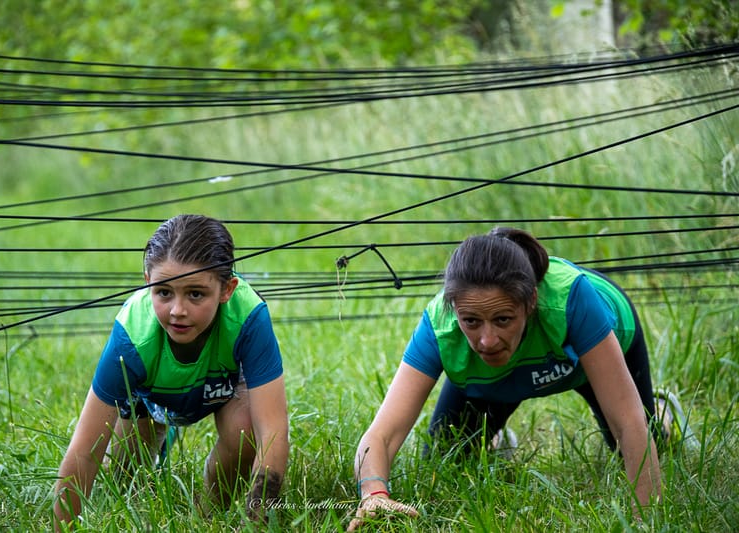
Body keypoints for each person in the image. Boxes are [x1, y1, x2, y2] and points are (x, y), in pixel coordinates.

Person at [348, 227, 677, 530]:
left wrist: (645, 520)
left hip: (584, 360)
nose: (487, 340)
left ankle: (662, 414)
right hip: (497, 378)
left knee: (639, 447)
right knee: (444, 460)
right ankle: (494, 441)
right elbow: (381, 436)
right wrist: (374, 494)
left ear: (531, 302)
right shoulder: (440, 327)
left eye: (503, 319)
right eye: (471, 321)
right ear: (454, 311)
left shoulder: (572, 299)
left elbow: (628, 421)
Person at [53, 215, 289, 530]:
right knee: (125, 481)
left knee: (245, 431)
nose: (178, 310)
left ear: (227, 289)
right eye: (163, 292)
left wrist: (259, 521)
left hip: (223, 389)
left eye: (195, 294)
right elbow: (83, 452)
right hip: (149, 395)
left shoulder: (249, 316)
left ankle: (208, 516)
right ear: (147, 279)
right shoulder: (131, 335)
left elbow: (272, 432)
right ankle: (155, 441)